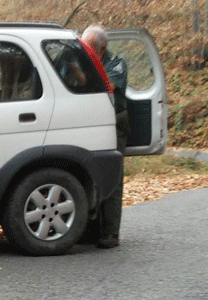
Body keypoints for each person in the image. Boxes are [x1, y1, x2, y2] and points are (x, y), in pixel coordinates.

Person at [82, 25, 128, 249]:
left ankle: (110, 232)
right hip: (91, 125)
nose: (87, 54)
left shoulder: (116, 63)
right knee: (90, 176)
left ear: (102, 48)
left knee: (113, 180)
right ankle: (89, 230)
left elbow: (106, 86)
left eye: (90, 49)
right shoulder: (82, 60)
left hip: (114, 126)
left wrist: (80, 74)